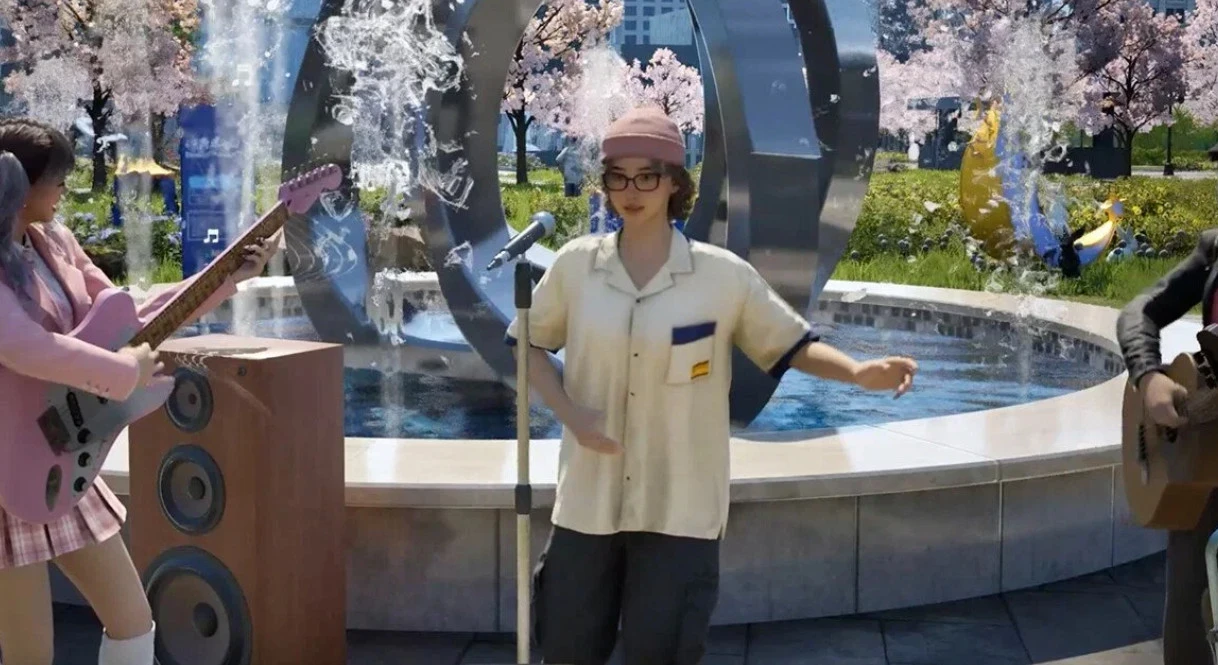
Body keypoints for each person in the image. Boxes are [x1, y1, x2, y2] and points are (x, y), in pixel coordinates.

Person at [505, 105, 918, 665]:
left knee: (662, 651)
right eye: (618, 177)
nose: (631, 191)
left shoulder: (722, 276)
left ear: (675, 183)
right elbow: (526, 344)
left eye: (647, 176)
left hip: (682, 505)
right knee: (567, 647)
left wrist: (857, 372)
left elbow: (789, 344)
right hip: (586, 501)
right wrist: (570, 414)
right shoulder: (576, 267)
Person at [0, 117, 280, 665]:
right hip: (8, 468)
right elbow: (21, 345)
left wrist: (226, 278)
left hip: (60, 451)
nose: (65, 188)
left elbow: (130, 316)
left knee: (132, 621)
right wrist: (121, 371)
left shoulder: (56, 243)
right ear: (21, 186)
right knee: (29, 653)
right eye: (56, 178)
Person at [1116, 228, 1218, 665]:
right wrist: (1148, 375)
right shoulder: (1215, 247)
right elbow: (1140, 311)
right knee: (1188, 613)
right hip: (1204, 467)